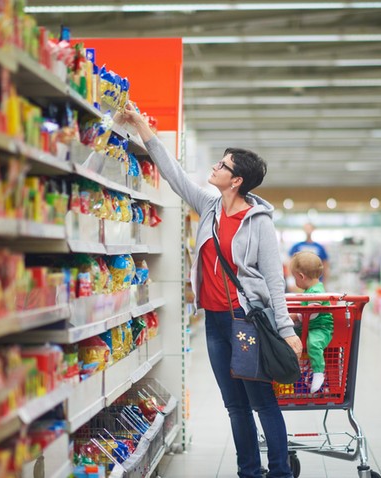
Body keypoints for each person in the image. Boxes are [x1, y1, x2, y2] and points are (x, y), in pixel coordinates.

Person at [119, 103, 301, 478]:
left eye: (223, 166)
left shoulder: (259, 223)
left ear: (237, 181)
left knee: (261, 401)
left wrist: (286, 330)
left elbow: (274, 279)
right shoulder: (209, 207)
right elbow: (174, 175)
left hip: (247, 322)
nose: (215, 168)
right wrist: (141, 126)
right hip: (216, 323)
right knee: (234, 405)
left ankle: (280, 472)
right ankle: (249, 471)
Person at [288, 251, 333, 393]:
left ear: (301, 276)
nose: (295, 281)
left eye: (294, 277)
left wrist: (295, 316)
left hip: (321, 327)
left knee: (313, 343)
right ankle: (292, 368)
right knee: (289, 336)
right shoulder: (310, 290)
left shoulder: (316, 292)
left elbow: (312, 314)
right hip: (309, 327)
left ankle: (319, 373)